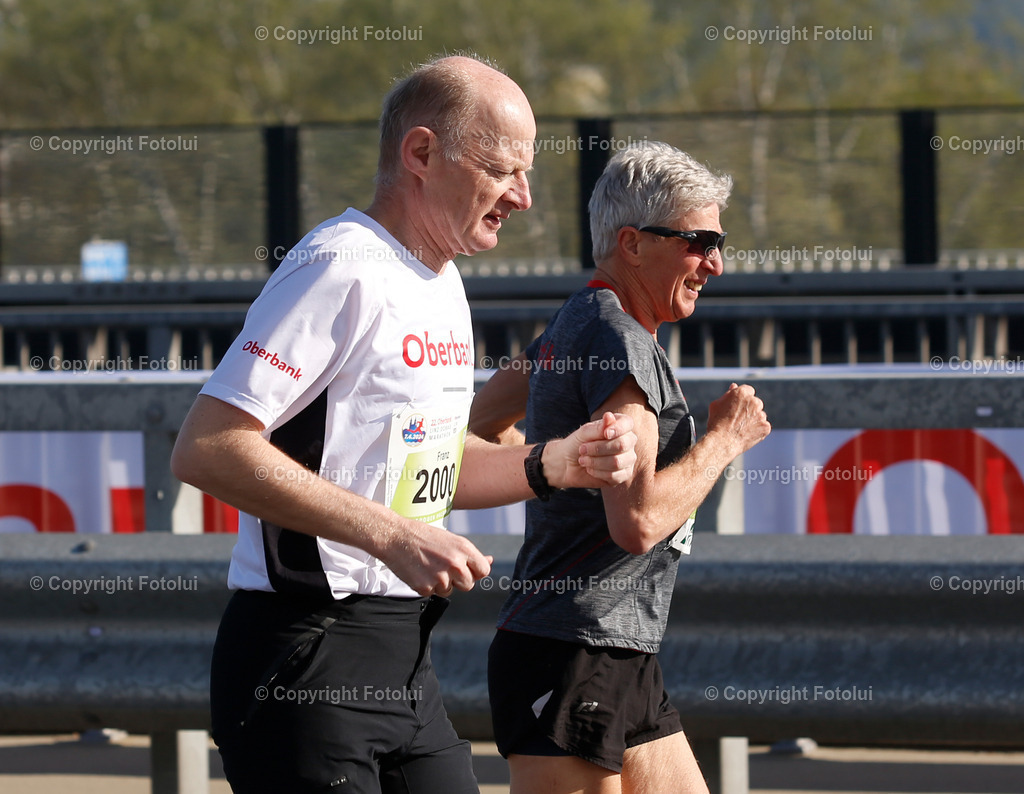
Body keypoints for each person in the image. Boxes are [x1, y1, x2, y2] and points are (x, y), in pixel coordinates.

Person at [170, 54, 638, 794]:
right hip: (303, 655)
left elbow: (430, 465)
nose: (522, 195)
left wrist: (554, 464)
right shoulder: (339, 264)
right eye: (501, 168)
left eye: (529, 172)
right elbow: (207, 448)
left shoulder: (441, 279)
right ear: (421, 153)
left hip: (404, 662)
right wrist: (392, 535)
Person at [470, 141, 772, 793]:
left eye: (719, 242)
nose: (714, 264)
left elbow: (482, 420)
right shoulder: (618, 340)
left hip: (614, 648)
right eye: (698, 242)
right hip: (571, 651)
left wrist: (561, 476)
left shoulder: (576, 320)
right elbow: (636, 522)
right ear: (633, 243)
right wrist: (724, 439)